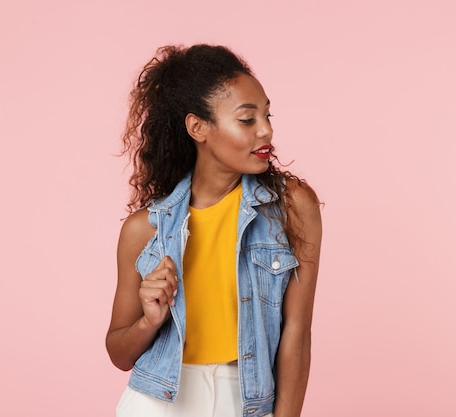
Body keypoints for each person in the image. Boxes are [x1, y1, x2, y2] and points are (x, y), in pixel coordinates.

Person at [106, 44, 322, 417]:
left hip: (245, 398)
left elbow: (297, 333)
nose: (266, 129)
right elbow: (119, 353)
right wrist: (149, 320)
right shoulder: (144, 229)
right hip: (158, 400)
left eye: (267, 115)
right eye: (247, 119)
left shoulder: (290, 207)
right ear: (198, 127)